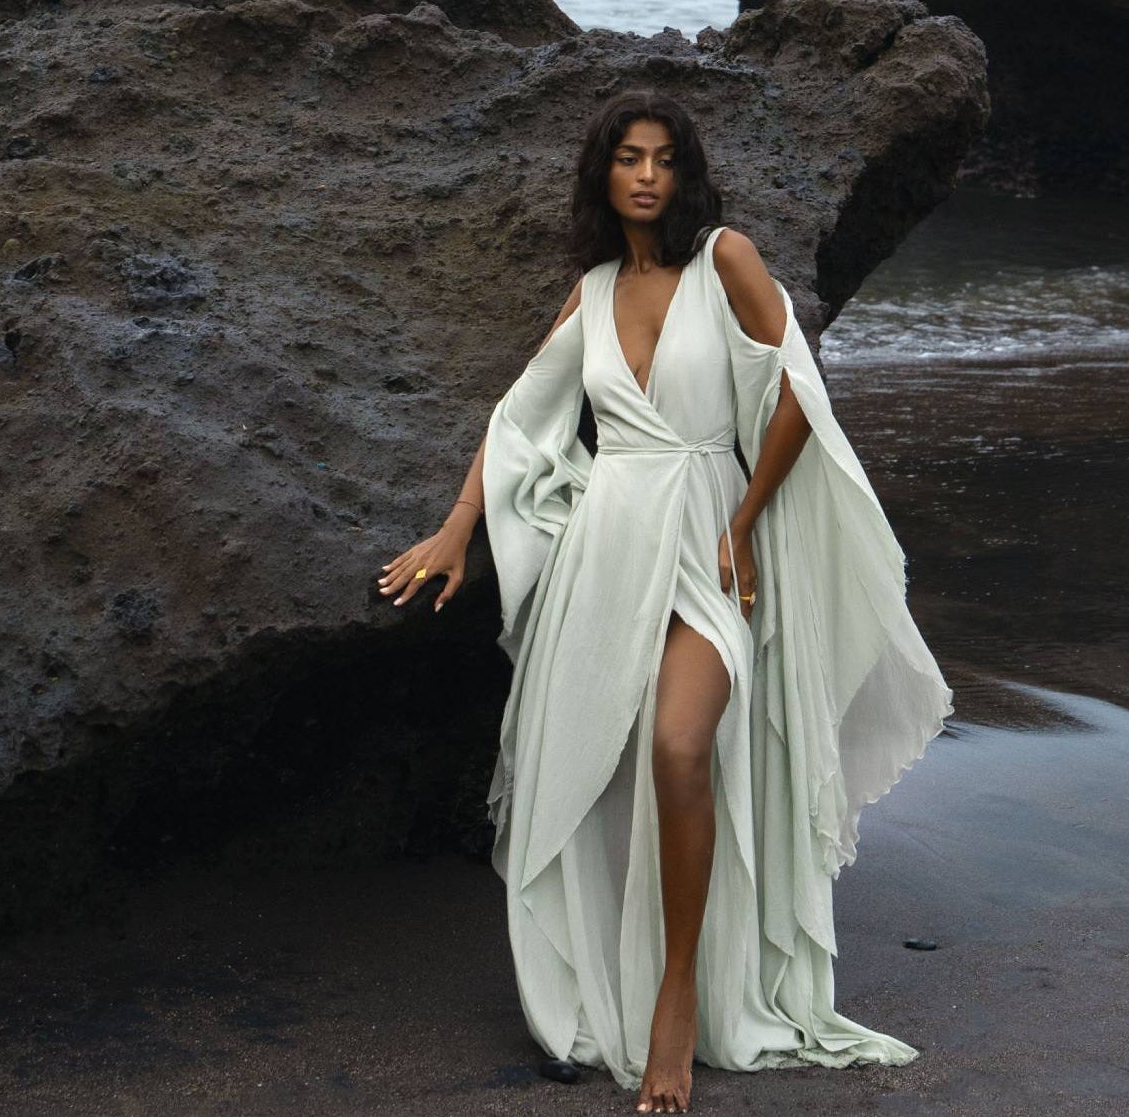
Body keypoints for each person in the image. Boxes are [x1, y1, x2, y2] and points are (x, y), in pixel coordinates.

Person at [378, 90, 954, 1113]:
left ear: (686, 175)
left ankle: (678, 995)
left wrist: (744, 523)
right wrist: (458, 527)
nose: (646, 175)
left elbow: (793, 390)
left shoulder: (724, 258)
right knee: (603, 772)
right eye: (627, 158)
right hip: (608, 548)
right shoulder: (593, 289)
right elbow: (523, 417)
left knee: (682, 745)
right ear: (603, 175)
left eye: (663, 159)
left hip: (707, 533)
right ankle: (612, 968)